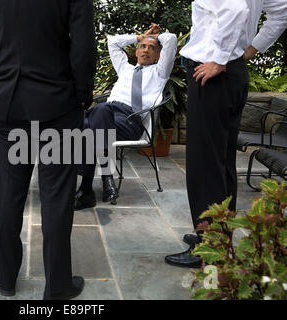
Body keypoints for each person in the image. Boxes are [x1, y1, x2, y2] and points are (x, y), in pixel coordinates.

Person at [0, 0, 96, 299]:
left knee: (8, 194)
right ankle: (58, 286)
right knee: (57, 198)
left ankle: (7, 278)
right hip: (58, 105)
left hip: (10, 104)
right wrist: (81, 93)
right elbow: (84, 48)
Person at [165, 0, 287, 268]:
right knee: (221, 161)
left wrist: (219, 58)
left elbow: (234, 8)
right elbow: (281, 11)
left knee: (205, 163)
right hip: (232, 73)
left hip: (213, 75)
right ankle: (218, 235)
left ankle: (209, 248)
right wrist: (250, 50)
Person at [74, 24, 177, 210]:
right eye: (143, 47)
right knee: (94, 119)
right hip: (106, 116)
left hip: (129, 120)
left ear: (158, 56)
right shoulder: (125, 68)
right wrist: (140, 36)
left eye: (152, 48)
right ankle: (101, 181)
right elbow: (112, 42)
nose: (146, 50)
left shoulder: (160, 73)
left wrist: (156, 36)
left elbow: (171, 40)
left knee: (94, 117)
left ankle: (88, 187)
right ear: (136, 52)